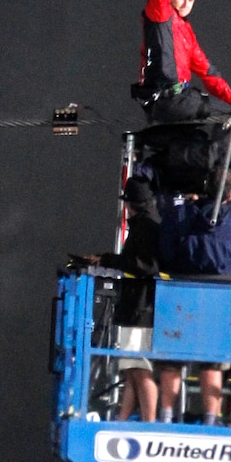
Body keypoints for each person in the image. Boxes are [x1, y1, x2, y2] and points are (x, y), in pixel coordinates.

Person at [158, 167, 231, 425]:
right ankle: (210, 419)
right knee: (212, 362)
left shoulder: (180, 214)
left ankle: (165, 416)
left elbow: (165, 249)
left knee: (172, 359)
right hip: (220, 296)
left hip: (180, 293)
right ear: (229, 194)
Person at [86, 177, 161, 422]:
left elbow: (145, 266)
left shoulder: (146, 226)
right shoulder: (148, 223)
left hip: (140, 309)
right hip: (136, 308)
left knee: (140, 368)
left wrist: (109, 260)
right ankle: (122, 419)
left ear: (131, 204)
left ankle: (150, 422)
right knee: (131, 369)